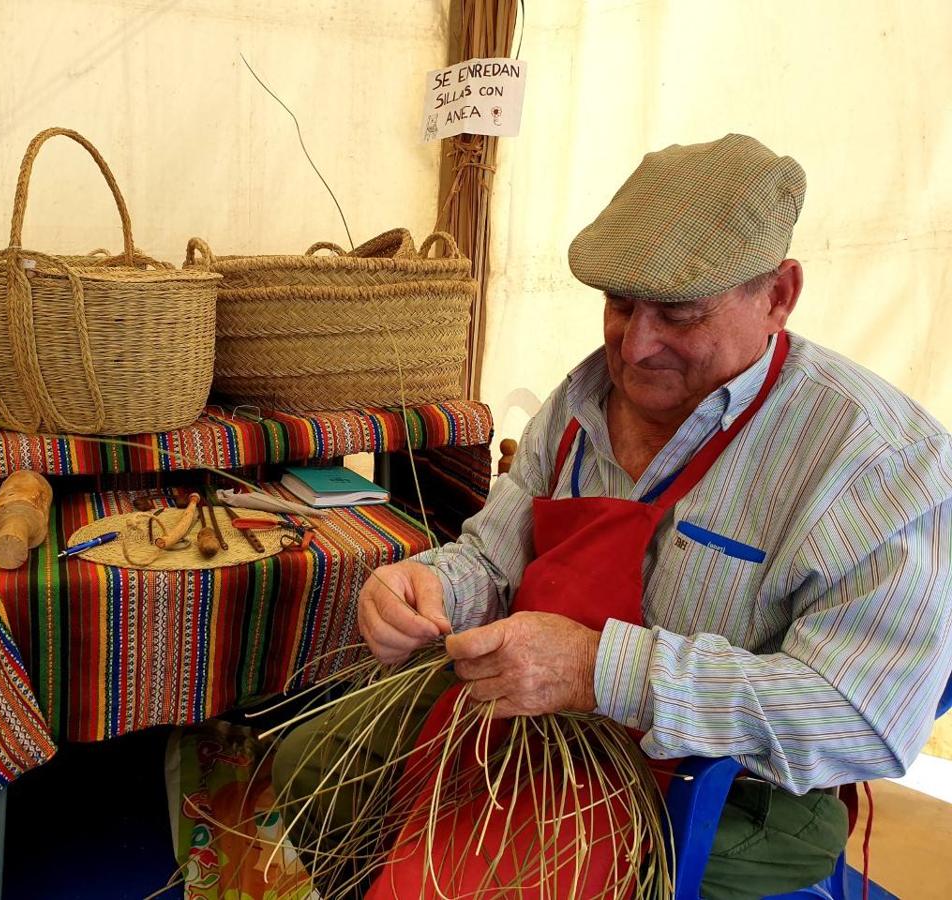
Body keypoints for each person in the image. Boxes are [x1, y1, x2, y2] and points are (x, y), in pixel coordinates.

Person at [274, 133, 952, 898]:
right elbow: (493, 561)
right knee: (314, 769)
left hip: (727, 783)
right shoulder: (581, 399)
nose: (636, 347)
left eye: (679, 316)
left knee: (519, 878)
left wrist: (604, 671)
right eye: (620, 306)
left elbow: (863, 719)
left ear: (778, 295)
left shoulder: (880, 461)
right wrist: (428, 587)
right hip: (530, 719)